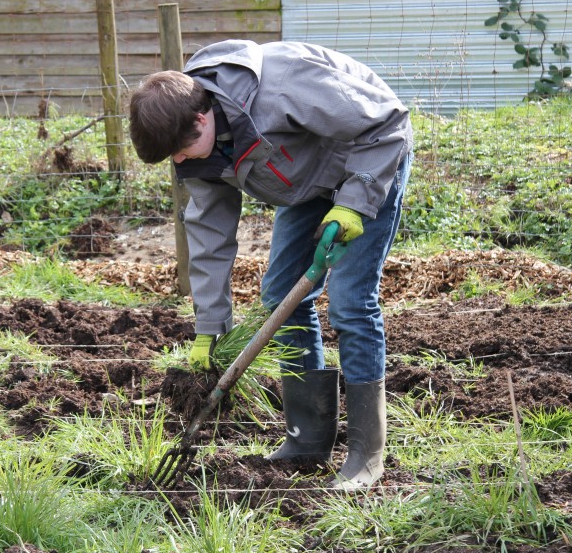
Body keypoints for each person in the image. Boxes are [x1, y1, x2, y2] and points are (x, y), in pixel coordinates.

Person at [128, 40, 413, 490]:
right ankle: (307, 438)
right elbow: (208, 234)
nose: (179, 161)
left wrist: (355, 203)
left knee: (351, 302)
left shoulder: (283, 91)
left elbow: (386, 121)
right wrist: (209, 325)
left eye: (181, 151)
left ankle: (366, 453)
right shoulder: (192, 138)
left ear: (201, 118)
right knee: (280, 298)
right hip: (307, 184)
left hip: (370, 159)